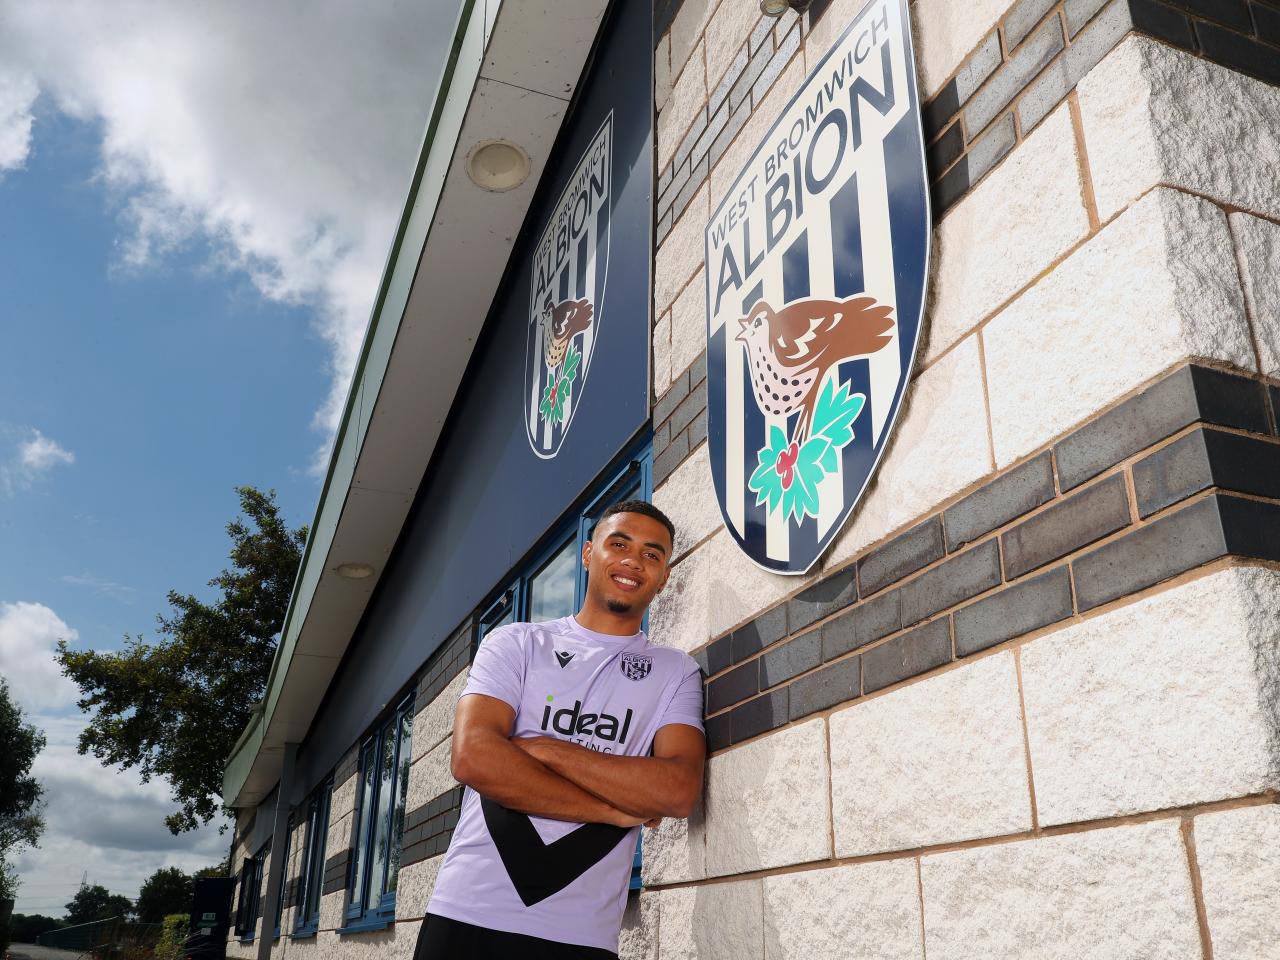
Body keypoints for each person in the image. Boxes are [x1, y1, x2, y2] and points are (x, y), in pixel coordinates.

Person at [415, 500, 705, 959]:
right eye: (619, 544)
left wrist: (546, 749)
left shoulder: (675, 672)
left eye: (653, 554)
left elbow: (677, 791)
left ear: (664, 577)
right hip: (468, 915)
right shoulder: (516, 643)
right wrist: (612, 810)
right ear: (588, 554)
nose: (633, 560)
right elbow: (473, 757)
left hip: (580, 936)